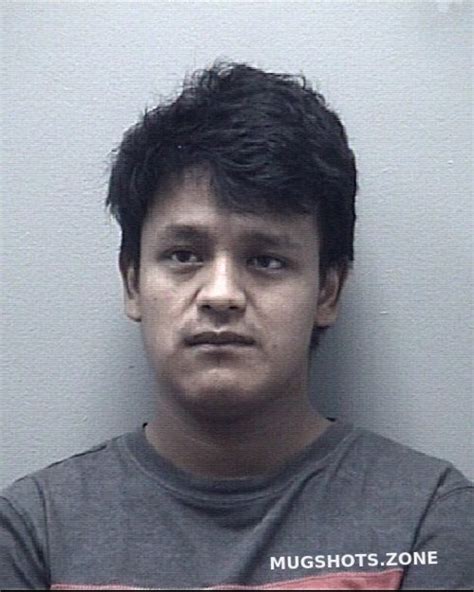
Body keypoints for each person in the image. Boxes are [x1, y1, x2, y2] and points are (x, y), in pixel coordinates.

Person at [1, 61, 472, 591]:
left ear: (327, 291)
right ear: (133, 283)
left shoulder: (428, 517)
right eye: (184, 255)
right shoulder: (35, 533)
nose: (221, 294)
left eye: (266, 260)